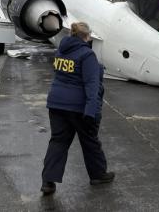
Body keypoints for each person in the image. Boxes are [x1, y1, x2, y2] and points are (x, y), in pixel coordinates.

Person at [40, 22, 114, 195]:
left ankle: (48, 182)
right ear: (86, 37)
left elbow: (60, 75)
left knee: (58, 142)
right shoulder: (87, 55)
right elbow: (91, 85)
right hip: (78, 107)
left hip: (56, 104)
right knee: (90, 141)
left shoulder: (61, 51)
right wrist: (91, 110)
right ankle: (98, 174)